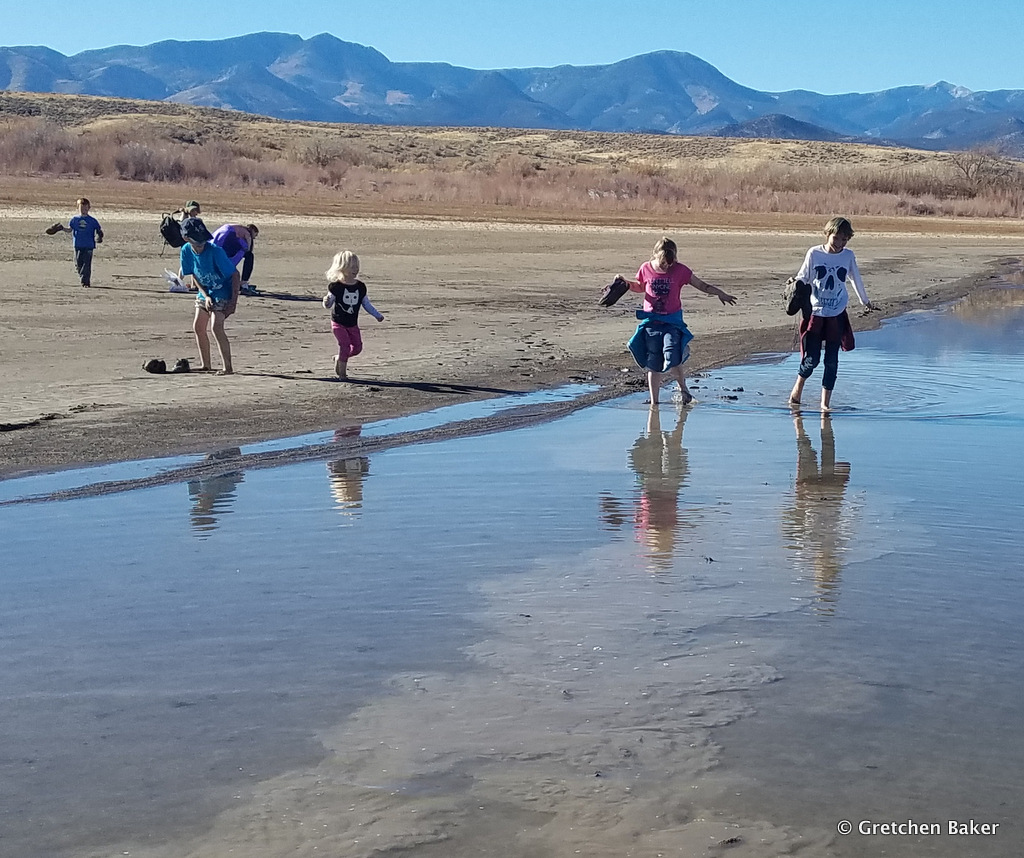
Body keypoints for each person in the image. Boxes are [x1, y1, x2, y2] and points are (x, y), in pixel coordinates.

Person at [619, 237, 736, 405]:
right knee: (654, 362)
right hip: (651, 323)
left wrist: (720, 293)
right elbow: (640, 286)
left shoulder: (680, 270)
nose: (667, 267)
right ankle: (654, 403)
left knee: (671, 353)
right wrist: (624, 282)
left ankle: (683, 390)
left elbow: (702, 285)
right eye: (663, 264)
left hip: (672, 322)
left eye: (670, 263)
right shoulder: (646, 268)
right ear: (655, 255)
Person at [789, 216, 873, 411]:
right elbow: (804, 276)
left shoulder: (848, 256)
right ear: (828, 234)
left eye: (845, 239)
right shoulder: (814, 253)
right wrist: (794, 284)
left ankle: (825, 405)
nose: (840, 243)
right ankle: (797, 389)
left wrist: (865, 301)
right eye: (837, 238)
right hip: (816, 313)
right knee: (812, 360)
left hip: (836, 313)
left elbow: (855, 278)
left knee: (832, 361)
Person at [179, 216, 240, 374]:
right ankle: (206, 364)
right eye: (197, 242)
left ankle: (228, 368)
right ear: (186, 238)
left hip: (223, 291)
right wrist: (205, 295)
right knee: (198, 327)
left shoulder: (215, 252)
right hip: (205, 292)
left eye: (203, 241)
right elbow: (194, 274)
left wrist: (233, 302)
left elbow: (234, 275)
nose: (201, 245)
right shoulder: (186, 251)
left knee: (216, 327)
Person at [322, 251, 385, 380]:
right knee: (344, 345)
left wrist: (377, 315)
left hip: (352, 324)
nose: (355, 270)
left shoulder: (360, 287)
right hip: (338, 323)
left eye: (357, 267)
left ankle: (339, 358)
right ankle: (343, 375)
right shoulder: (336, 287)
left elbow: (366, 304)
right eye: (352, 267)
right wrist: (326, 302)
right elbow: (328, 304)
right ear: (342, 267)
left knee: (357, 348)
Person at [58, 197, 103, 287]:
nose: (83, 210)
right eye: (81, 208)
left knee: (86, 264)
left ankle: (85, 282)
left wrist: (99, 236)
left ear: (89, 208)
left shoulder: (92, 221)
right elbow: (69, 230)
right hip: (78, 244)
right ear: (78, 208)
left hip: (89, 245)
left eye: (85, 208)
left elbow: (99, 230)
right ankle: (82, 276)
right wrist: (61, 228)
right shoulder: (74, 220)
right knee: (78, 264)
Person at [211, 223, 259, 295]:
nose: (255, 237)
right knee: (248, 256)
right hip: (228, 237)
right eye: (255, 235)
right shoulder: (247, 233)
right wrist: (248, 248)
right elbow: (249, 248)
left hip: (221, 236)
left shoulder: (239, 228)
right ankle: (243, 283)